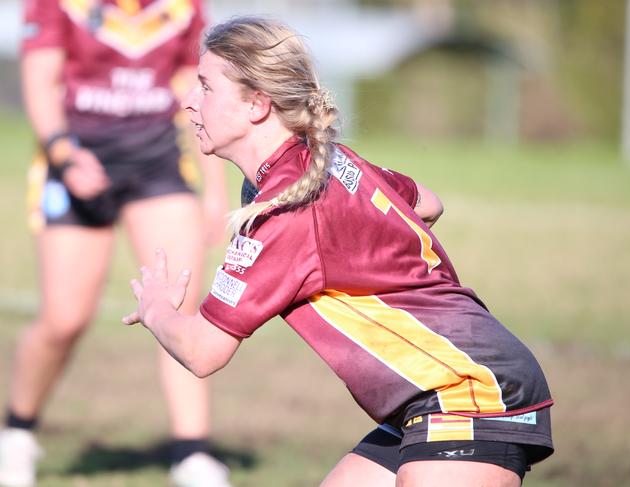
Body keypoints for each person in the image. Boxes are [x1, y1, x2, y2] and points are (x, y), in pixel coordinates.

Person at [122, 17, 554, 487]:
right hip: (435, 392)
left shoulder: (286, 211)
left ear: (256, 104)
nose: (187, 101)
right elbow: (428, 203)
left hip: (470, 393)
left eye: (204, 86)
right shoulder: (325, 159)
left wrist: (157, 309)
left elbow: (203, 351)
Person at [0, 1, 232, 487]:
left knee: (179, 306)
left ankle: (192, 454)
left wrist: (215, 191)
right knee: (64, 318)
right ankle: (17, 433)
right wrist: (64, 156)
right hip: (77, 160)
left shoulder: (181, 7)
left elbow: (196, 91)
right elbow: (41, 82)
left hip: (159, 167)